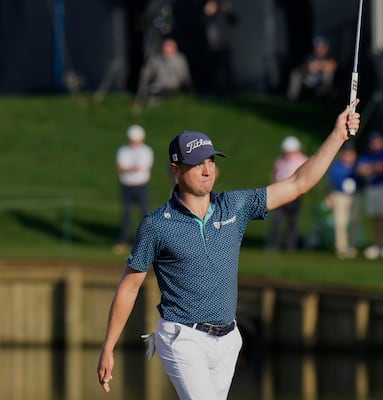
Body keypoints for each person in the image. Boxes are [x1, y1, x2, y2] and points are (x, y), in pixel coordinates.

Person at [96, 103, 361, 399]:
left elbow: (298, 183)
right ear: (176, 169)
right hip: (182, 337)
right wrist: (108, 347)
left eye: (210, 160)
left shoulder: (234, 206)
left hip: (228, 339)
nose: (207, 169)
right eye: (197, 163)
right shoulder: (157, 225)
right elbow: (130, 287)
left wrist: (338, 135)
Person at [113, 125, 154, 254]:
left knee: (144, 214)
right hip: (126, 186)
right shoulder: (123, 151)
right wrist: (131, 168)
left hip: (141, 186)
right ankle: (123, 242)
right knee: (126, 214)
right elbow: (120, 168)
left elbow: (141, 167)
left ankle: (147, 243)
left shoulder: (146, 151)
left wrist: (128, 168)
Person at [356, 131, 383, 260]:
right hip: (371, 187)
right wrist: (373, 168)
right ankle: (377, 244)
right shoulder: (367, 155)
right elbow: (361, 170)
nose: (375, 144)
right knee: (374, 217)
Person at [267, 136, 309, 251]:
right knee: (277, 220)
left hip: (294, 194)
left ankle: (291, 245)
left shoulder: (302, 160)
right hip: (279, 193)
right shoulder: (281, 160)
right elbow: (275, 175)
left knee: (293, 220)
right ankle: (275, 244)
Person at [326, 141, 361, 259]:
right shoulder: (336, 166)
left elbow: (362, 181)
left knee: (355, 220)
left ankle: (352, 245)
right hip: (339, 195)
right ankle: (341, 246)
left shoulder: (357, 166)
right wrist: (329, 195)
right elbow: (330, 182)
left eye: (351, 153)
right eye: (346, 153)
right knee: (340, 222)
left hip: (354, 196)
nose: (348, 156)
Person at [136, 38, 194, 106]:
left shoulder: (180, 60)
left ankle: (154, 101)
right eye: (165, 46)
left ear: (174, 48)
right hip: (158, 87)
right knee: (151, 90)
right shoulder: (156, 59)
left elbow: (184, 76)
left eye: (169, 46)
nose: (166, 48)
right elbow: (147, 74)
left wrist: (189, 89)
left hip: (173, 88)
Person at [203, 0, 238, 95]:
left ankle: (230, 91)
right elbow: (202, 21)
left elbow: (234, 20)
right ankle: (216, 90)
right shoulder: (208, 13)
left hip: (224, 46)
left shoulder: (223, 13)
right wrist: (208, 12)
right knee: (214, 71)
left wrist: (227, 10)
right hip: (212, 47)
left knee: (227, 70)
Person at [287, 36, 338, 101]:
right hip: (309, 80)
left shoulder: (329, 57)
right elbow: (307, 67)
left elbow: (332, 66)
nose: (321, 49)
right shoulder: (310, 57)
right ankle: (292, 97)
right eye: (319, 47)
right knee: (295, 73)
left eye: (323, 47)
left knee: (328, 73)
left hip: (321, 83)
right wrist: (319, 66)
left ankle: (323, 96)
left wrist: (318, 65)